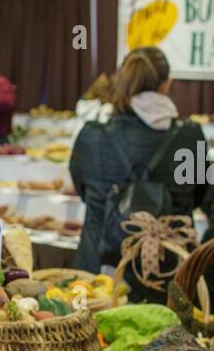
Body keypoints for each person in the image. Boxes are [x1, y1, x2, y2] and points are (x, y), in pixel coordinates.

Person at [70, 46, 206, 296]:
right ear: (166, 84)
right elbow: (195, 197)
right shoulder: (190, 138)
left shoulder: (92, 137)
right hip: (168, 275)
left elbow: (83, 189)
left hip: (100, 275)